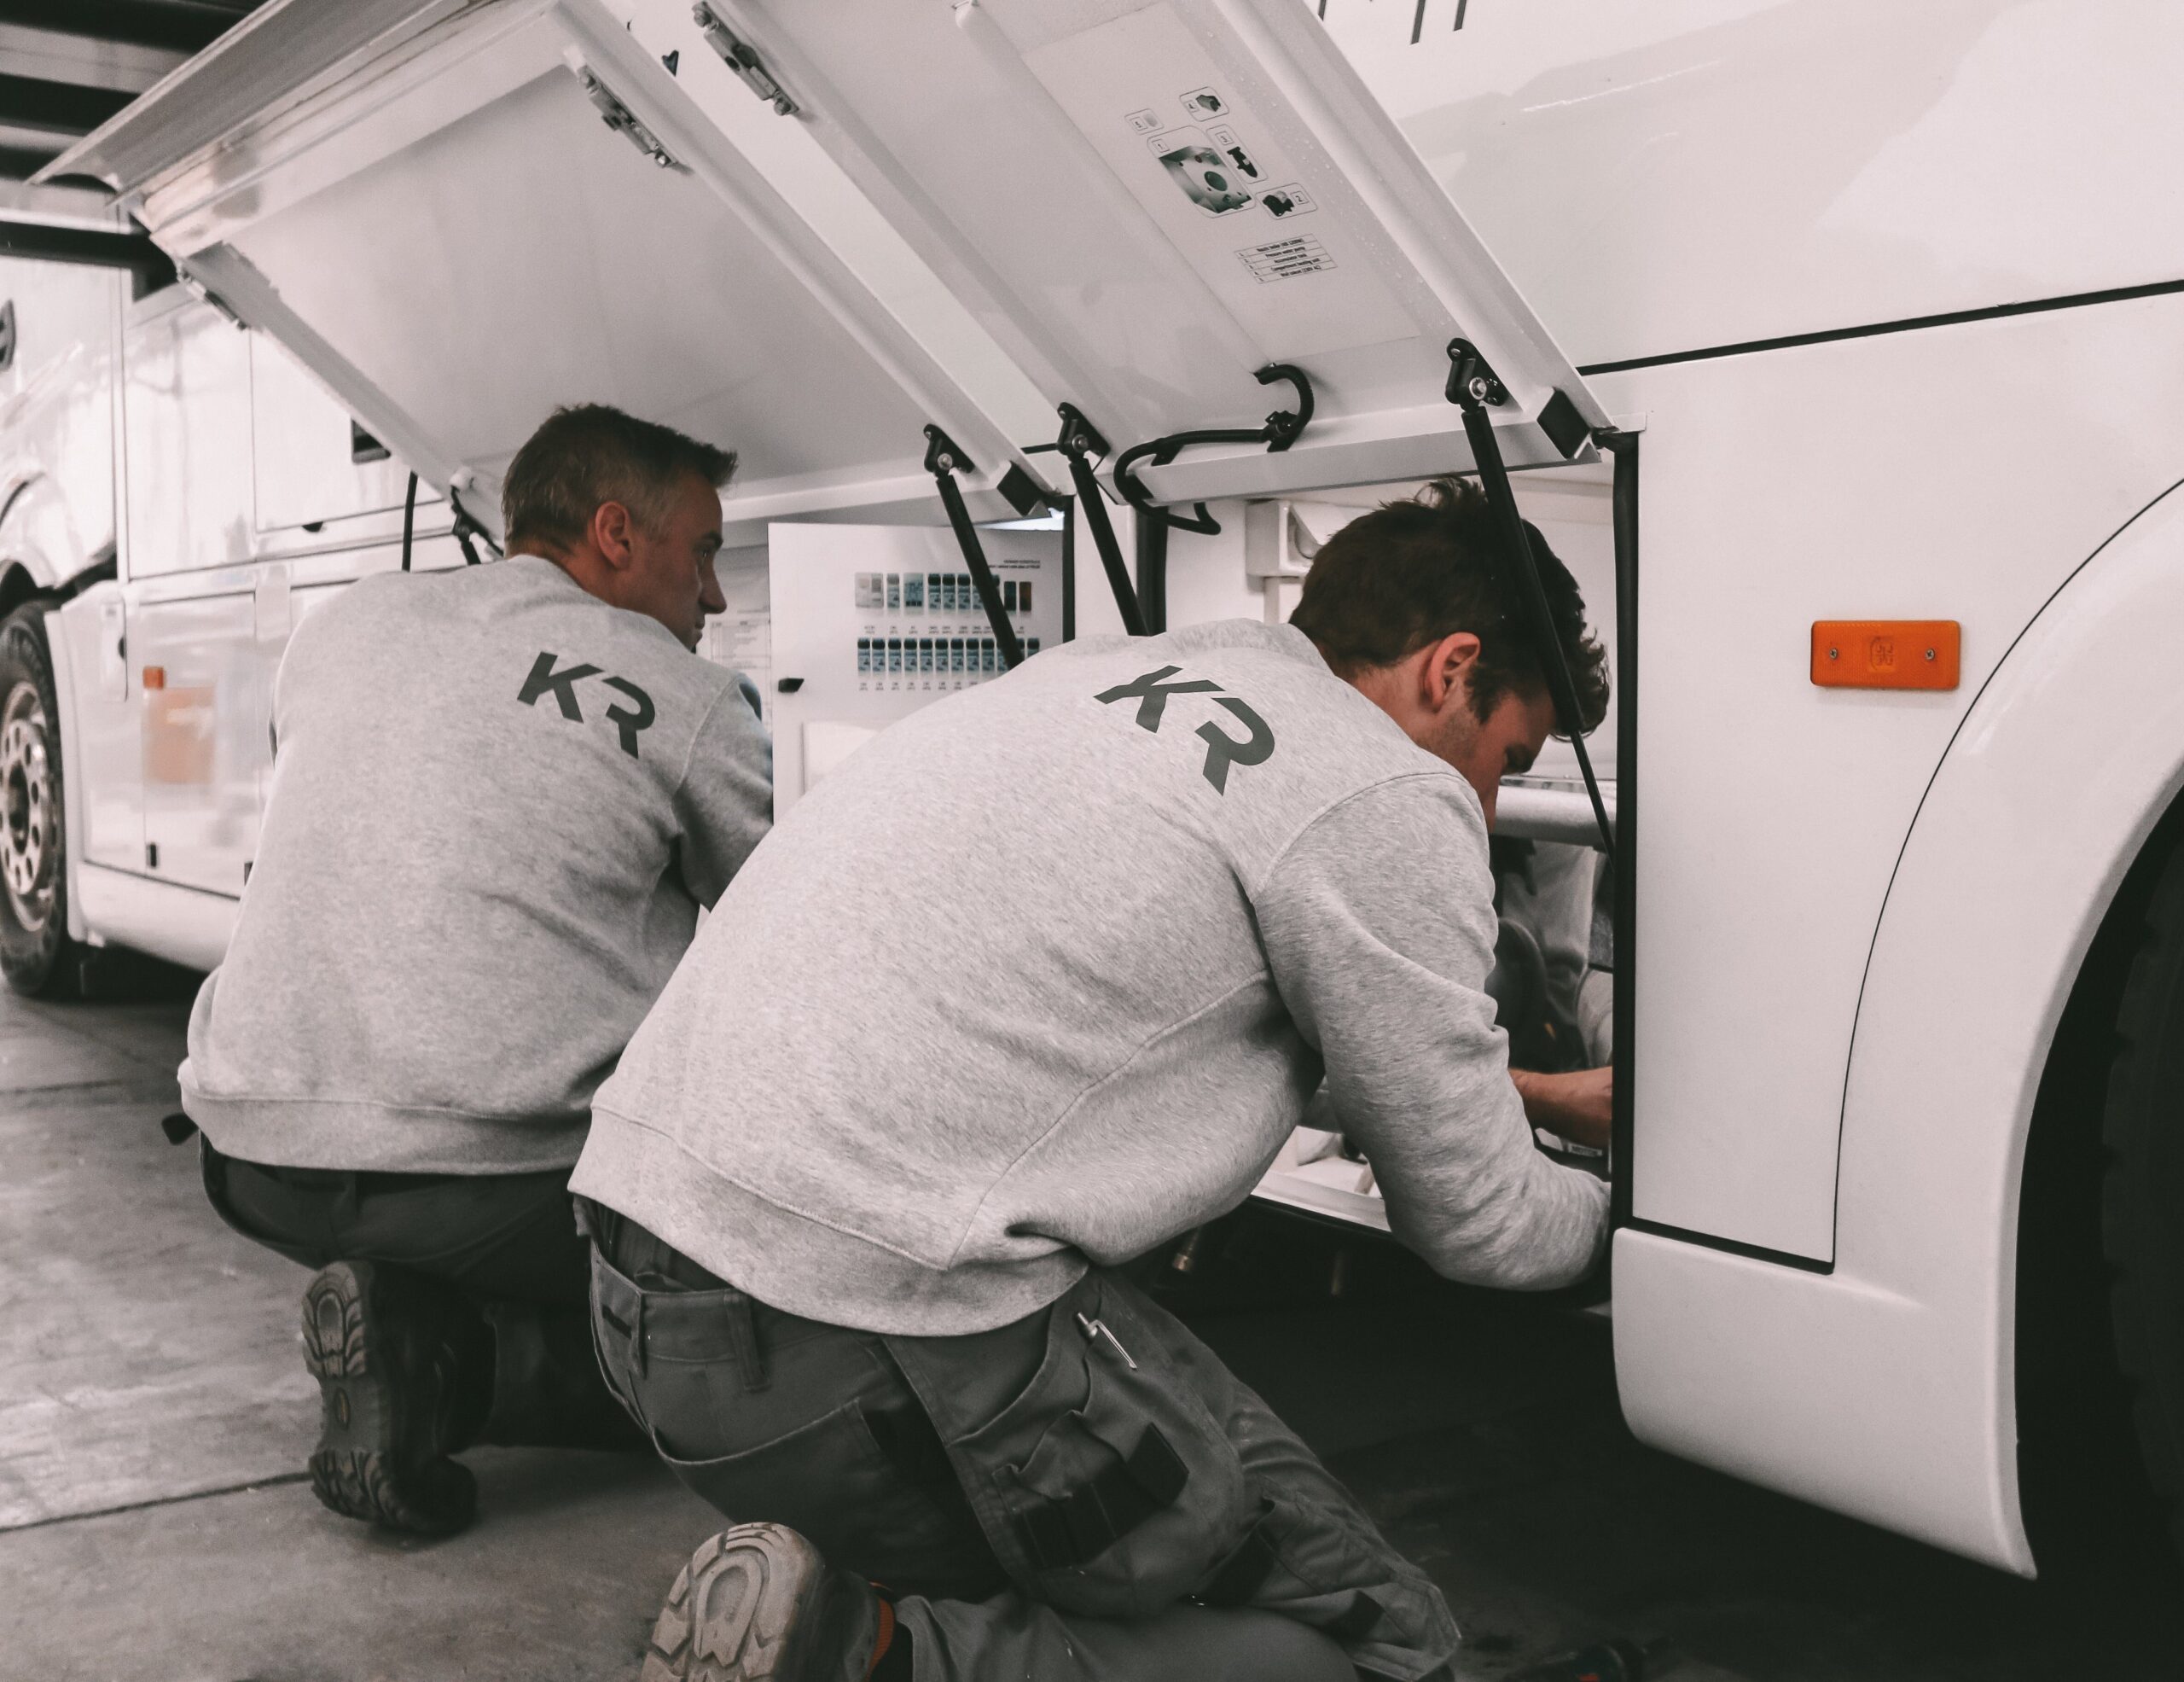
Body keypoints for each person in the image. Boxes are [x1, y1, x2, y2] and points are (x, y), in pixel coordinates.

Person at [572, 476, 1612, 1681]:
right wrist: (1640, 1226)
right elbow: (1483, 1226)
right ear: (1449, 670)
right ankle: (872, 1659)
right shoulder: (1383, 789)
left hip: (639, 1301)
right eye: (1507, 757)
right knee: (1380, 1636)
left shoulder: (1088, 682)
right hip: (857, 1341)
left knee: (1186, 1511)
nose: (1489, 807)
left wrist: (1528, 1098)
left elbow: (1173, 1031)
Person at [177, 404, 771, 1536]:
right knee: (775, 1348)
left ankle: (400, 1303)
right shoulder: (685, 695)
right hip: (491, 1187)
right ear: (614, 534)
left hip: (253, 1154)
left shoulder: (349, 622)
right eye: (702, 551)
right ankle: (451, 1366)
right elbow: (783, 929)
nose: (716, 596)